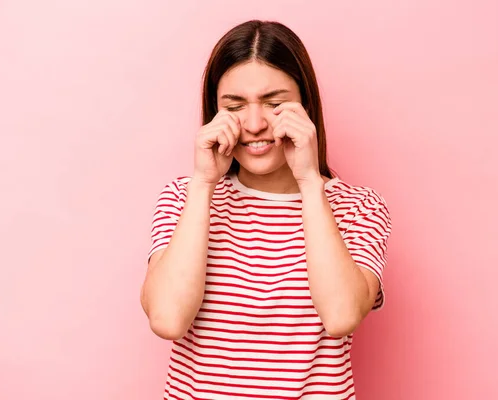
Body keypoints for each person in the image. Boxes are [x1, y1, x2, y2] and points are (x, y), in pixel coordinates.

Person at [140, 19, 392, 400]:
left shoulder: (359, 207)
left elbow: (341, 317)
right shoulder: (184, 197)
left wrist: (309, 181)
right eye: (235, 107)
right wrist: (204, 184)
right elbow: (168, 319)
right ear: (214, 112)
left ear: (306, 106)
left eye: (275, 105)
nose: (255, 124)